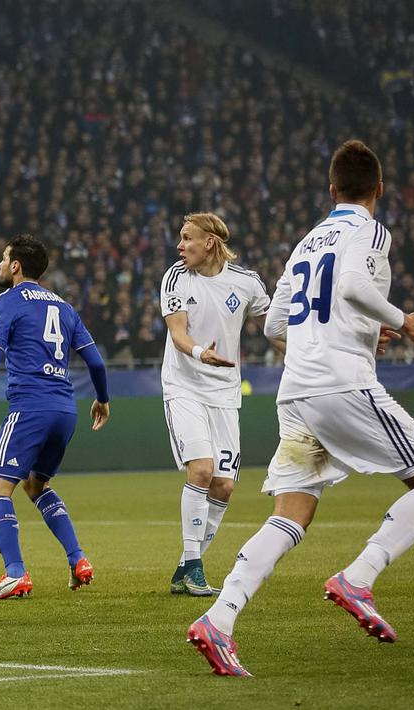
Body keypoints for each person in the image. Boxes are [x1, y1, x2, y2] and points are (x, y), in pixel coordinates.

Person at [188, 140, 414, 677]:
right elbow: (352, 285)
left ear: (331, 190)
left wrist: (355, 330)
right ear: (378, 189)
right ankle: (359, 575)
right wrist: (401, 321)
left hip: (297, 390)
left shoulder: (307, 241)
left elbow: (275, 325)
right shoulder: (370, 230)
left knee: (291, 514)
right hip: (342, 385)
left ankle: (219, 618)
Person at [0, 235, 110, 600]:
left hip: (29, 407)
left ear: (16, 266)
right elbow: (95, 361)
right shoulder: (64, 306)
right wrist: (102, 400)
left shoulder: (7, 300)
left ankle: (15, 573)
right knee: (36, 485)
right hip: (65, 409)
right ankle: (78, 559)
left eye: (2, 257)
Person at [159, 213, 272, 596]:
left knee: (223, 486)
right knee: (203, 470)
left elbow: (275, 329)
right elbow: (178, 333)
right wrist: (198, 353)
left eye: (186, 238)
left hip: (225, 395)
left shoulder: (247, 283)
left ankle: (184, 568)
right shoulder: (176, 277)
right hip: (184, 387)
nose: (179, 245)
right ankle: (194, 565)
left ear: (209, 242)